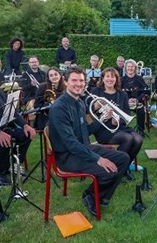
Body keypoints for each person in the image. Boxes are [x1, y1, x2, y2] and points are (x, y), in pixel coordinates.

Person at [48, 66, 130, 217]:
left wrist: (102, 119)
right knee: (109, 171)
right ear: (65, 82)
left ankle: (94, 195)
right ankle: (92, 196)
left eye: (81, 81)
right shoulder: (59, 108)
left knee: (124, 158)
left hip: (82, 148)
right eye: (74, 80)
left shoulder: (79, 102)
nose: (79, 84)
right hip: (67, 157)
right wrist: (98, 159)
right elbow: (71, 143)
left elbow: (85, 131)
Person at [89, 68, 143, 180]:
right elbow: (88, 112)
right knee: (128, 139)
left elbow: (126, 113)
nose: (110, 79)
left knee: (138, 139)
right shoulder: (96, 92)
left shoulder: (121, 94)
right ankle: (117, 170)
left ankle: (125, 168)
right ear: (103, 79)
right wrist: (97, 108)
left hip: (119, 126)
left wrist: (116, 120)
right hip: (103, 129)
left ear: (116, 79)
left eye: (113, 76)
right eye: (107, 76)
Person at [121, 59, 149, 135]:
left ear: (135, 68)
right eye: (128, 66)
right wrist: (128, 100)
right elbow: (119, 92)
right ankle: (122, 129)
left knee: (141, 111)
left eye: (132, 66)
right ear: (126, 68)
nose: (130, 68)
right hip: (125, 102)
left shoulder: (139, 79)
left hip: (138, 102)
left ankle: (140, 130)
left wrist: (137, 99)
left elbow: (145, 91)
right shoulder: (122, 79)